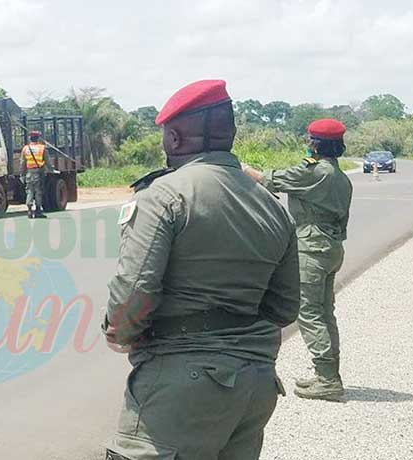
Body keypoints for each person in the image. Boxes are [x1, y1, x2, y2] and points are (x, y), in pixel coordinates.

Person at [103, 80, 300, 460]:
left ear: (174, 139)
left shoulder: (164, 195)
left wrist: (121, 331)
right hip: (255, 384)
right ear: (232, 134)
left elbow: (134, 291)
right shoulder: (272, 205)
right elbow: (285, 308)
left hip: (182, 384)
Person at [243, 119, 353, 402]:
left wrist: (242, 169)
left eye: (309, 140)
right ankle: (328, 375)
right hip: (331, 248)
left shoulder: (316, 173)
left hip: (312, 249)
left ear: (315, 144)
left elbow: (271, 179)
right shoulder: (341, 177)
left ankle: (327, 380)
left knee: (310, 314)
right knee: (325, 313)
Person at [21, 131, 49, 219]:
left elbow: (22, 163)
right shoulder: (42, 148)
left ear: (30, 138)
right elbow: (47, 162)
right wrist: (52, 170)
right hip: (39, 173)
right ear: (38, 138)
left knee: (29, 191)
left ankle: (29, 211)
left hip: (29, 173)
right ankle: (37, 211)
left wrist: (22, 175)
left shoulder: (25, 149)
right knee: (38, 192)